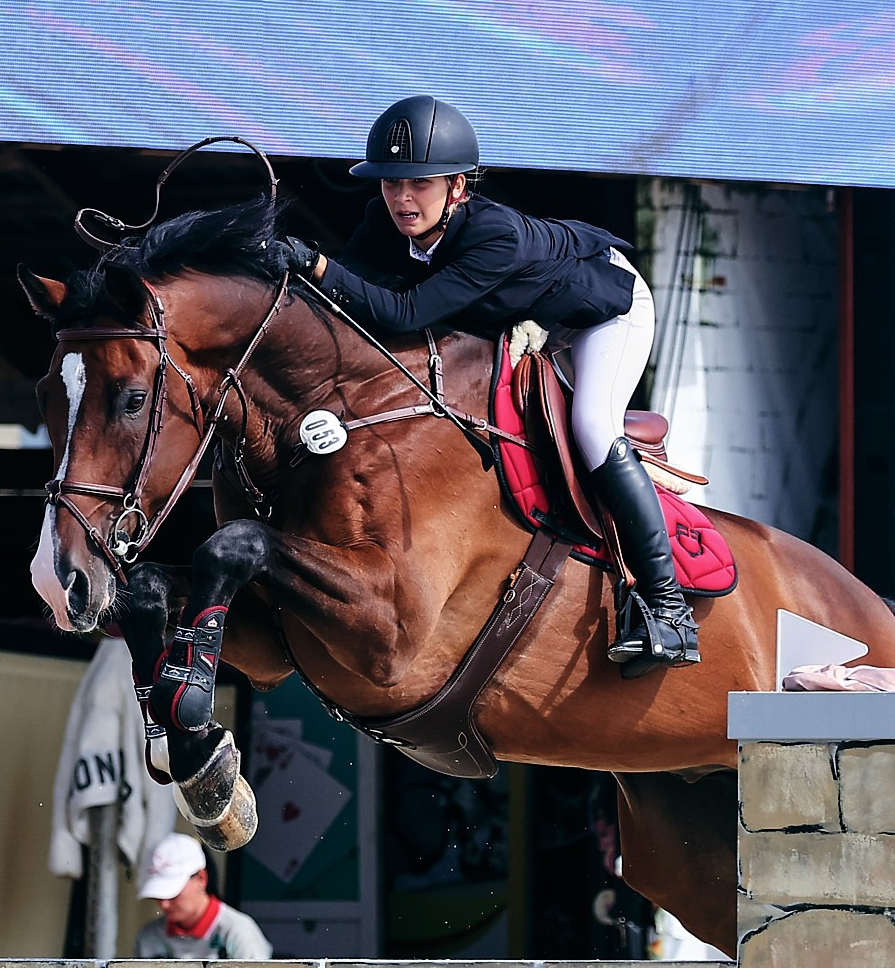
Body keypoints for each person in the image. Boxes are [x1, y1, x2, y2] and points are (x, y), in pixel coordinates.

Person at [267, 94, 697, 674]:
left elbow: (402, 312)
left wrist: (315, 264)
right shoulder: (383, 223)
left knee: (592, 427)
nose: (400, 198)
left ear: (458, 188)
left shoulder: (496, 236)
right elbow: (351, 301)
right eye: (391, 184)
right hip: (524, 315)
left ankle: (668, 608)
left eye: (418, 183)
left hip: (603, 313)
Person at [132, 833, 274, 968]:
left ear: (201, 879)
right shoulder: (148, 939)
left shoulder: (239, 933)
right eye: (158, 894)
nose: (164, 904)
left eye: (172, 892)